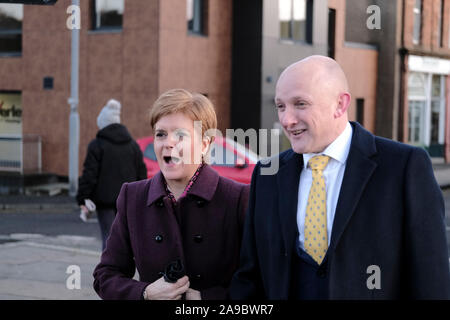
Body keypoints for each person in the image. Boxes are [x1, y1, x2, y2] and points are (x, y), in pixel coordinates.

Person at [230, 55, 450, 299]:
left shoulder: (404, 167)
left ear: (340, 104)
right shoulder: (267, 175)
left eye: (300, 104)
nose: (286, 120)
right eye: (280, 106)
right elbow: (250, 278)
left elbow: (431, 279)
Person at [93, 89, 250, 300]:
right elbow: (105, 276)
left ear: (205, 144)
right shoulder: (133, 196)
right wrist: (145, 293)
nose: (168, 143)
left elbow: (257, 281)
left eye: (180, 135)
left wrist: (206, 299)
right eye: (161, 134)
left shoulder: (237, 198)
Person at [76, 99, 147, 250]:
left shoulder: (97, 145)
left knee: (108, 240)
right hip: (128, 201)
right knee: (125, 239)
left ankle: (109, 272)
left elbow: (89, 174)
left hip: (105, 202)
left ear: (102, 123)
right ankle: (124, 271)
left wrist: (83, 198)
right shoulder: (133, 146)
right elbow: (142, 174)